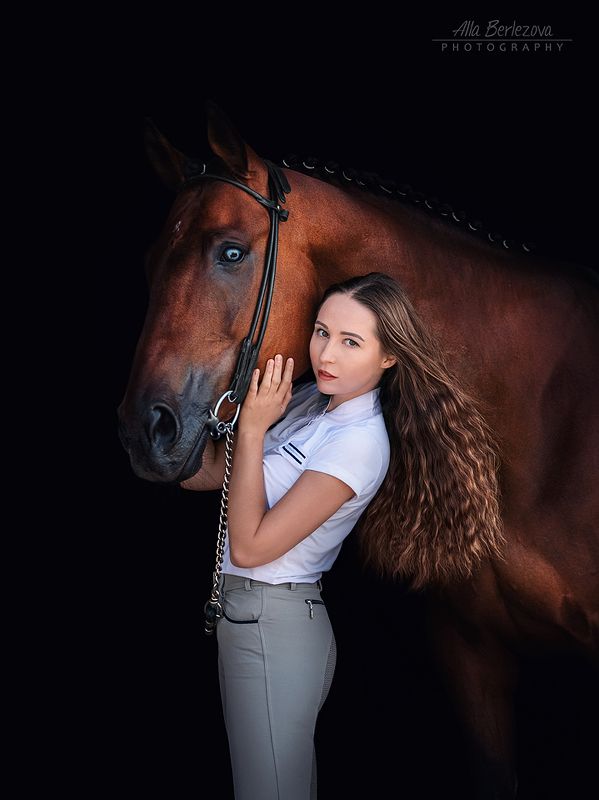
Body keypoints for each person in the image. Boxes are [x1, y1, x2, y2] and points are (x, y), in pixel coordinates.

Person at [181, 271, 505, 799]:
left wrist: (255, 428)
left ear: (389, 357)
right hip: (252, 620)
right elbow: (213, 474)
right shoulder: (312, 405)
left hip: (274, 626)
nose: (326, 353)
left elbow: (251, 545)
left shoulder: (358, 443)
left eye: (350, 342)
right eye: (321, 331)